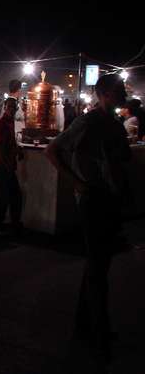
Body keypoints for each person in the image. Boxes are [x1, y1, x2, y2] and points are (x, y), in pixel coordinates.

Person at [45, 74, 131, 366]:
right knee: (98, 265)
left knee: (99, 263)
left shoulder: (115, 124)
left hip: (108, 199)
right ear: (103, 93)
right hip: (93, 199)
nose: (123, 92)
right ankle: (98, 331)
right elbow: (52, 149)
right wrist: (76, 182)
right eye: (118, 89)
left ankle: (86, 325)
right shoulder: (89, 121)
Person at [0, 97, 23, 236]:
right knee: (4, 197)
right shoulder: (2, 124)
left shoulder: (9, 123)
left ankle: (8, 225)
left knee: (12, 196)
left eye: (14, 107)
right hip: (2, 165)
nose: (12, 109)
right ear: (5, 107)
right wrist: (7, 164)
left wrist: (17, 150)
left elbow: (9, 143)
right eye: (9, 107)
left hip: (7, 165)